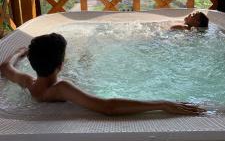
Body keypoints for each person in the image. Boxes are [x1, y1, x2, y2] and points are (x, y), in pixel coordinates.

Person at [0, 33, 205, 116]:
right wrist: (161, 103)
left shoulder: (29, 82)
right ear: (60, 65)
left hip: (46, 72)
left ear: (33, 63)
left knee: (83, 62)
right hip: (66, 81)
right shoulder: (61, 88)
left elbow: (5, 67)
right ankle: (84, 58)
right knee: (85, 63)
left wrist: (19, 53)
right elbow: (108, 106)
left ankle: (82, 59)